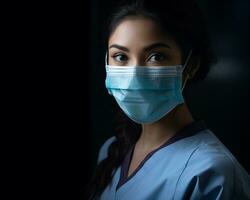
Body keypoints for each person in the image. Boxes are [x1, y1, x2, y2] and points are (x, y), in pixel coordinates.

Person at [86, 0, 250, 199]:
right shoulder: (111, 151)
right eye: (120, 57)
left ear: (191, 65)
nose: (135, 75)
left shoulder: (212, 173)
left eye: (156, 56)